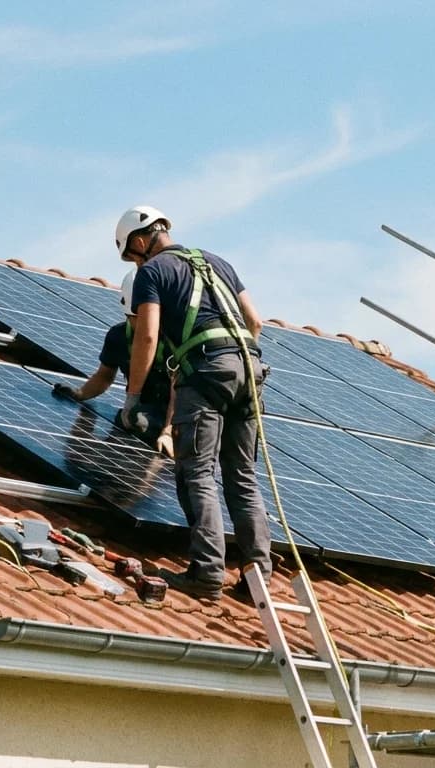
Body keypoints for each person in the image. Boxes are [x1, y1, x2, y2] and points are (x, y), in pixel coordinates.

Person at [116, 205, 271, 601]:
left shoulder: (152, 273)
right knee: (243, 476)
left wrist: (132, 398)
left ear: (139, 241)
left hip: (204, 373)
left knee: (196, 471)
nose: (135, 262)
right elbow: (255, 321)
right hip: (250, 370)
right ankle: (258, 578)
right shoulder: (218, 262)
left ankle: (207, 572)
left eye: (131, 255)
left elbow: (146, 337)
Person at [52, 270, 176, 456]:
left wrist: (168, 432)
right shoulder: (118, 336)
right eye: (138, 317)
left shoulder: (174, 340)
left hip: (179, 415)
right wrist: (80, 393)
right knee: (130, 420)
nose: (145, 323)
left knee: (139, 423)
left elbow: (181, 392)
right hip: (143, 412)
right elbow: (104, 376)